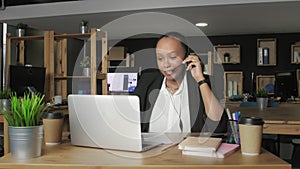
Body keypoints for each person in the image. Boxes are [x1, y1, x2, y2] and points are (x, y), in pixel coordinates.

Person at [133, 32, 227, 133]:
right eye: (160, 58)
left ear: (187, 57)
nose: (166, 64)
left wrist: (200, 80)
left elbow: (219, 127)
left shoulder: (203, 83)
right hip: (152, 148)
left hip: (188, 148)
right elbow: (129, 121)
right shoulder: (146, 81)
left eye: (173, 57)